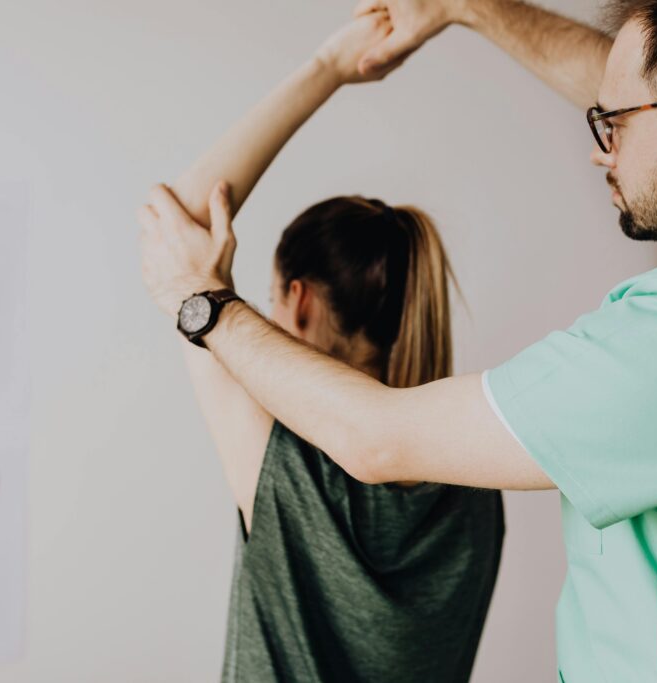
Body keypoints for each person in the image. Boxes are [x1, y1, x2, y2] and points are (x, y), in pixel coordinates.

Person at [138, 0, 657, 681]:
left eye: (611, 122)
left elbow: (373, 439)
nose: (600, 146)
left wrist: (207, 306)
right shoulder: (468, 492)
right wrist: (462, 7)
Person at [143, 12, 504, 683]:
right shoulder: (475, 478)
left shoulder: (285, 460)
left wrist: (331, 68)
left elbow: (180, 217)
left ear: (299, 300)